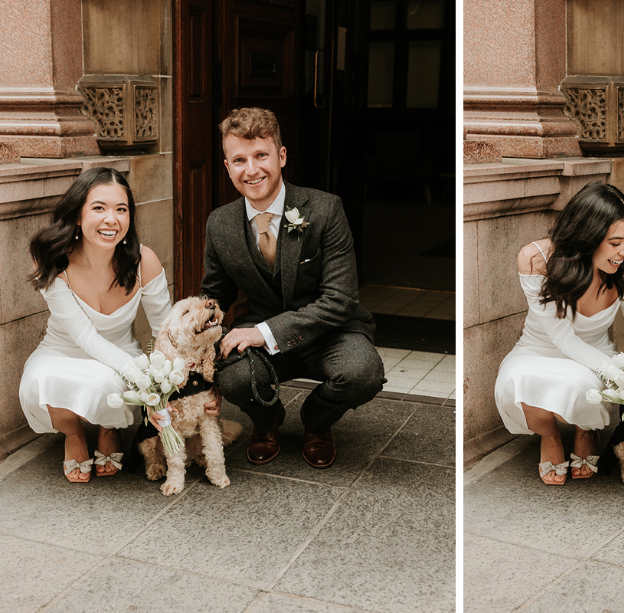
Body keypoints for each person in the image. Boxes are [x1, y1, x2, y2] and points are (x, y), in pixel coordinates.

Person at [201, 107, 384, 469]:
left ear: (281, 156)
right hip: (262, 334)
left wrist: (264, 332)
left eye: (260, 156)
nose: (251, 170)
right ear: (227, 166)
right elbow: (215, 300)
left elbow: (341, 299)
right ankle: (268, 421)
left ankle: (317, 422)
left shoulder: (326, 209)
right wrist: (197, 366)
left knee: (363, 373)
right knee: (232, 373)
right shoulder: (220, 223)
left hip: (331, 332)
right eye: (239, 159)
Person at [494, 183, 624, 485]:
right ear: (587, 237)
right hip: (537, 350)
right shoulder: (536, 259)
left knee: (582, 385)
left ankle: (586, 430)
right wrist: (621, 382)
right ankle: (550, 436)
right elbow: (563, 339)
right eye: (615, 242)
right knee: (515, 383)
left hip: (594, 354)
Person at [18, 167, 172, 482]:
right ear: (78, 214)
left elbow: (164, 331)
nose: (111, 219)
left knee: (107, 385)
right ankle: (73, 434)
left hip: (119, 352)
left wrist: (165, 387)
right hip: (62, 350)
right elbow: (86, 338)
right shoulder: (53, 260)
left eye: (121, 209)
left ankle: (109, 428)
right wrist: (144, 384)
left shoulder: (144, 261)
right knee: (37, 384)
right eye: (99, 208)